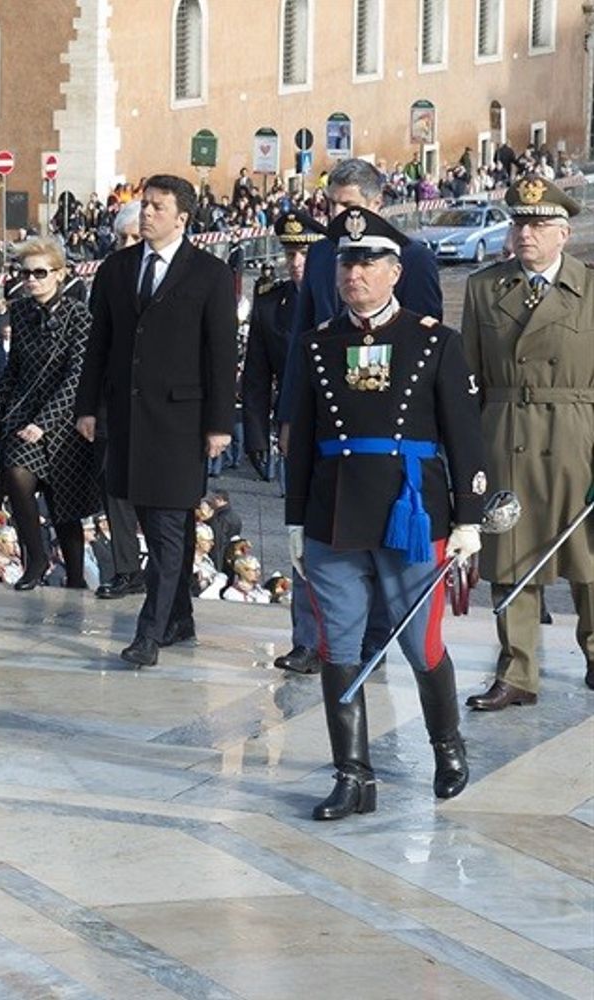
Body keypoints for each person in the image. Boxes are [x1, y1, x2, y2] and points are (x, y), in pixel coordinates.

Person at [286, 206, 487, 820]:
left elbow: (465, 438)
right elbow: (301, 438)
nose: (355, 273)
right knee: (338, 646)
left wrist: (469, 519)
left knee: (422, 645)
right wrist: (296, 519)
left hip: (411, 513)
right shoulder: (319, 343)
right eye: (347, 261)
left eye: (369, 261)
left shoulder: (434, 341)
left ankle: (447, 749)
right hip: (335, 516)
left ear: (396, 270)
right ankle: (353, 776)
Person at [275, 159, 443, 676]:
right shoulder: (326, 253)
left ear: (375, 203)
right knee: (315, 532)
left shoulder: (410, 257)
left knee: (375, 542)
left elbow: (426, 347)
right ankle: (310, 638)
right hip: (325, 416)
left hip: (382, 423)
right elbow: (303, 335)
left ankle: (373, 638)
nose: (337, 216)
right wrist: (288, 414)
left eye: (348, 205)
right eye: (332, 206)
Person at [75, 174, 238, 667]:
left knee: (168, 525)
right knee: (154, 516)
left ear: (182, 217)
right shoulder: (118, 269)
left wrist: (219, 423)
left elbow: (221, 353)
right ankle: (180, 615)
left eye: (157, 207)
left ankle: (150, 631)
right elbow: (97, 344)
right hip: (127, 417)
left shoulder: (208, 274)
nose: (146, 214)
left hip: (180, 422)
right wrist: (87, 407)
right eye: (144, 205)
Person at [461, 178, 594, 707]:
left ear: (564, 233)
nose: (525, 234)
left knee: (588, 558)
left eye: (538, 225)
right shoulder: (483, 288)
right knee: (510, 555)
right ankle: (517, 671)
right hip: (507, 431)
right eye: (519, 223)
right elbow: (469, 375)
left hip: (576, 437)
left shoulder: (589, 289)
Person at [0, 237, 100, 590]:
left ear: (60, 274)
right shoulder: (19, 311)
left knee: (63, 504)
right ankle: (35, 558)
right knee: (16, 473)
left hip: (65, 421)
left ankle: (76, 577)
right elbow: (13, 368)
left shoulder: (79, 315)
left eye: (40, 272)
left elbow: (77, 376)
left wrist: (45, 424)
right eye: (26, 273)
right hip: (23, 413)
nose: (32, 279)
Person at [242, 209, 326, 482]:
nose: (297, 263)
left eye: (305, 254)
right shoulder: (270, 303)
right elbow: (257, 375)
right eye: (291, 255)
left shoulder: (341, 300)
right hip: (293, 423)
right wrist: (256, 436)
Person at [90, 201, 145, 602]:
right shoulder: (111, 274)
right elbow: (96, 346)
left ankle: (164, 572)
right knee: (114, 485)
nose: (126, 244)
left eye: (135, 237)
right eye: (122, 237)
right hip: (114, 400)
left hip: (160, 405)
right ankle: (127, 569)